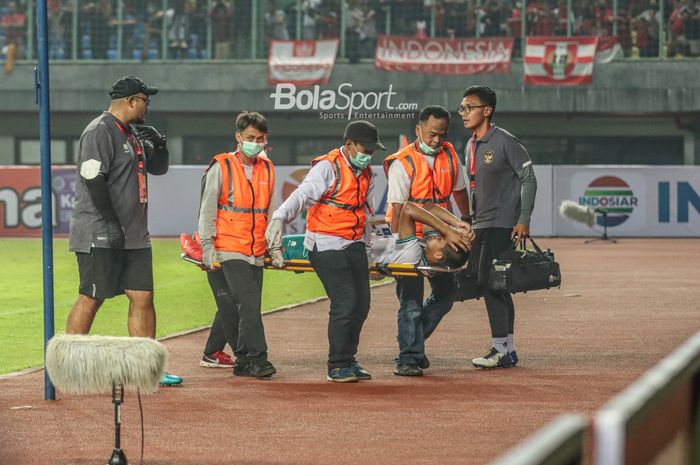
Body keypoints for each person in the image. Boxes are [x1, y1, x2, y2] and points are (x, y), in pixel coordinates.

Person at [66, 76, 182, 387]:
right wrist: (110, 222)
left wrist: (159, 144)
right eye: (145, 100)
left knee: (143, 296)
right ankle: (71, 367)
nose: (148, 106)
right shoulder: (99, 131)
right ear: (130, 101)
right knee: (92, 296)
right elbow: (92, 178)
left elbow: (159, 169)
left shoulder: (131, 133)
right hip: (99, 231)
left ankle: (146, 367)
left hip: (134, 234)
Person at [265, 120, 383, 383]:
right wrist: (279, 217)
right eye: (366, 149)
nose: (369, 155)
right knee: (345, 301)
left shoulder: (366, 173)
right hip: (325, 244)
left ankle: (349, 359)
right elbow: (302, 195)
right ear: (349, 144)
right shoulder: (327, 167)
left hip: (354, 244)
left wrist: (369, 251)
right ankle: (337, 364)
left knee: (362, 305)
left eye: (373, 152)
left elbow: (365, 213)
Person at [383, 105, 471, 376]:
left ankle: (413, 343)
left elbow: (458, 191)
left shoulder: (450, 155)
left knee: (445, 296)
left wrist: (465, 221)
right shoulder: (403, 162)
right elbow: (401, 209)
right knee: (410, 302)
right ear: (418, 129)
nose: (437, 140)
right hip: (411, 238)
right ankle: (408, 358)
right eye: (432, 134)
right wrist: (400, 246)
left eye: (442, 135)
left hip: (441, 239)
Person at [460, 85, 537, 369]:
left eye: (470, 107)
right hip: (481, 224)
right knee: (498, 286)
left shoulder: (505, 141)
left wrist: (523, 219)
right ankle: (509, 349)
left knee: (489, 284)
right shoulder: (470, 145)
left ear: (487, 111)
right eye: (462, 108)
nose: (464, 113)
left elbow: (529, 178)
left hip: (501, 223)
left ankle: (499, 348)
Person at [198, 111, 279, 379]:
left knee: (233, 306)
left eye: (260, 138)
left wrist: (274, 246)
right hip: (228, 246)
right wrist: (208, 248)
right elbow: (207, 210)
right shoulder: (221, 167)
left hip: (255, 250)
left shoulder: (267, 168)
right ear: (238, 137)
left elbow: (271, 211)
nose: (256, 142)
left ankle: (240, 360)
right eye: (251, 138)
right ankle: (256, 358)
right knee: (249, 302)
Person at [375, 201, 473, 269]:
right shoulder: (431, 253)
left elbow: (408, 208)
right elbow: (429, 207)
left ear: (438, 255)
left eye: (441, 239)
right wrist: (458, 223)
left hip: (367, 250)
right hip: (373, 237)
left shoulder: (412, 255)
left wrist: (448, 230)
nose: (439, 235)